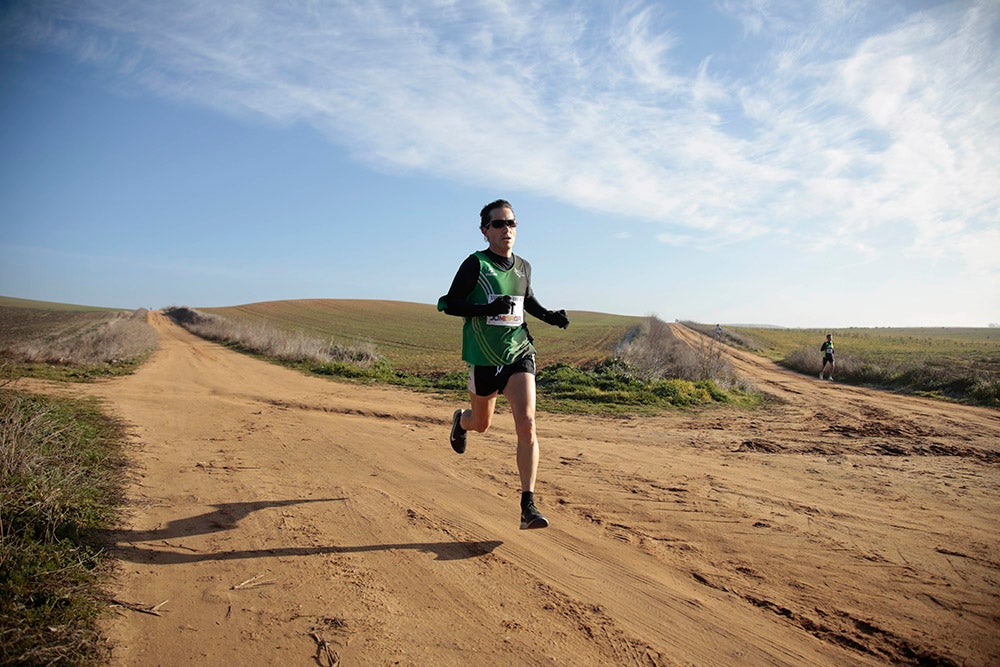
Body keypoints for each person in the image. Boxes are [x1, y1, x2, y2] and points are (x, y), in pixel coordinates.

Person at [437, 199, 569, 530]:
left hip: (518, 352)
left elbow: (527, 302)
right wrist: (486, 310)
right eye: (498, 224)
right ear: (485, 231)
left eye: (511, 223)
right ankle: (461, 421)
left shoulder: (523, 266)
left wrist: (551, 316)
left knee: (526, 422)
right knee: (481, 424)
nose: (506, 229)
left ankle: (528, 505)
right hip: (483, 357)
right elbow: (451, 304)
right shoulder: (476, 265)